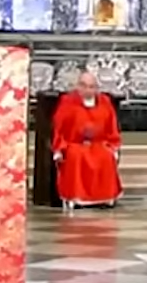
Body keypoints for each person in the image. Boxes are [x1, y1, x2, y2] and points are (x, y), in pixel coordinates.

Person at [51, 71, 122, 209]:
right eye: (84, 86)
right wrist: (60, 147)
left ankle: (105, 197)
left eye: (91, 86)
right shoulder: (67, 101)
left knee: (106, 156)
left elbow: (111, 125)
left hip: (98, 143)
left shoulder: (105, 102)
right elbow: (58, 127)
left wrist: (113, 145)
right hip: (75, 144)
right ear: (78, 86)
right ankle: (76, 197)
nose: (88, 90)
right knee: (76, 156)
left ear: (96, 88)